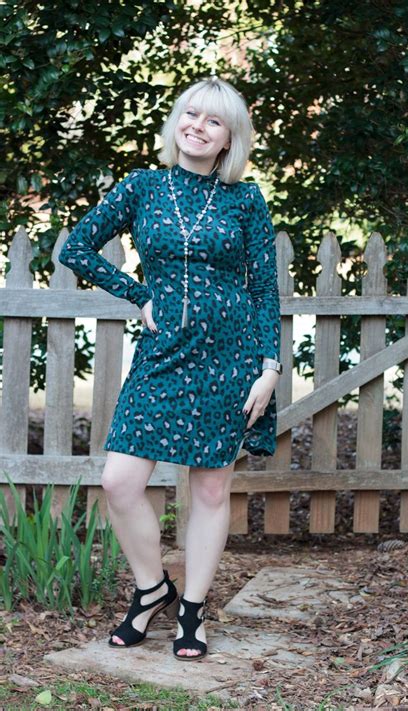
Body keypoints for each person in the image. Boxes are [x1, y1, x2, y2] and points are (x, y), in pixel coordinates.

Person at [57, 76, 282, 661]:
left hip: (232, 359)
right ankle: (153, 587)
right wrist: (138, 295)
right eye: (190, 114)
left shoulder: (245, 200)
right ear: (176, 121)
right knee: (120, 481)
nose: (198, 127)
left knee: (210, 489)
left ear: (229, 137)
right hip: (163, 356)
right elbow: (75, 248)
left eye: (213, 120)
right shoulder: (143, 188)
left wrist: (270, 367)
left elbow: (264, 289)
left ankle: (193, 612)